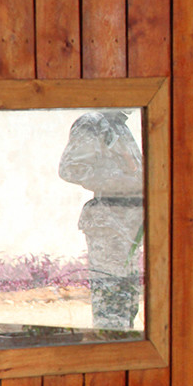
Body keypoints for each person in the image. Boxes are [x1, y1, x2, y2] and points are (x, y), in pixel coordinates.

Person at [59, 110, 143, 330]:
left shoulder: (119, 125)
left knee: (127, 303)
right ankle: (112, 359)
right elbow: (70, 168)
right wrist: (126, 182)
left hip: (131, 229)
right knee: (111, 307)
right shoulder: (93, 123)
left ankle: (124, 357)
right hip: (110, 227)